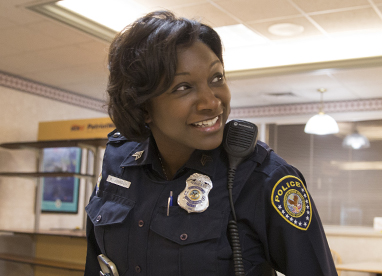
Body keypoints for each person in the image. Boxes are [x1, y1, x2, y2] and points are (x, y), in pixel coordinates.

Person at [84, 10, 337, 276]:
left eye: (216, 78)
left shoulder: (265, 179)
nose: (212, 102)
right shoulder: (119, 160)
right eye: (183, 87)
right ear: (143, 106)